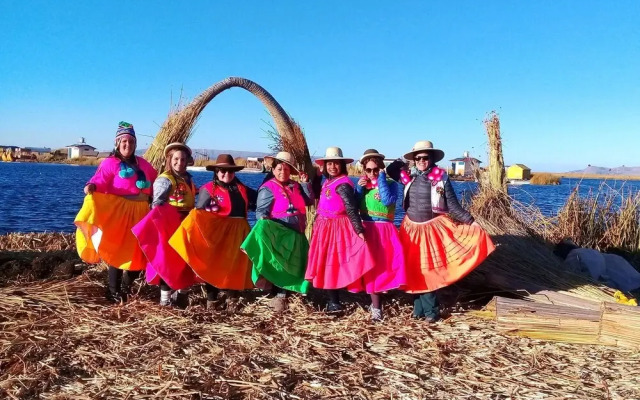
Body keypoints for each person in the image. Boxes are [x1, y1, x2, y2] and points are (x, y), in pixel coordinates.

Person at [386, 140, 495, 322]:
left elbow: (452, 205)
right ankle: (418, 309)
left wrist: (471, 222)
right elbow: (390, 169)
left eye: (425, 157)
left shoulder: (441, 178)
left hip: (431, 229)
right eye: (418, 157)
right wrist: (405, 160)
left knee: (428, 271)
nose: (421, 161)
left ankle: (431, 313)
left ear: (432, 159)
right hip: (410, 229)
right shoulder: (408, 176)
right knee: (414, 271)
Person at [75, 121, 158, 303]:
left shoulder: (144, 164)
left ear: (135, 144)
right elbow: (100, 180)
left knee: (140, 252)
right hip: (120, 212)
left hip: (142, 213)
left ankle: (127, 286)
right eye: (124, 141)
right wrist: (92, 186)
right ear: (117, 143)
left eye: (131, 141)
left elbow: (157, 181)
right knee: (118, 251)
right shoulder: (110, 163)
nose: (128, 145)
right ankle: (113, 291)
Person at [169, 154, 256, 311]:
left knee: (234, 266)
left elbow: (261, 197)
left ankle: (232, 300)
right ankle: (212, 300)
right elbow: (199, 214)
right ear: (216, 171)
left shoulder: (243, 189)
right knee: (212, 265)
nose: (226, 174)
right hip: (216, 235)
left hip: (238, 234)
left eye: (230, 171)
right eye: (222, 170)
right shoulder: (207, 189)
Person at [241, 151, 314, 313]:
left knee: (292, 265)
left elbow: (309, 201)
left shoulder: (295, 186)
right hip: (280, 233)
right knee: (280, 263)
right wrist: (268, 230)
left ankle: (288, 291)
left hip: (297, 234)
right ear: (273, 170)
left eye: (287, 169)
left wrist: (304, 184)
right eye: (279, 168)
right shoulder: (268, 188)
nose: (283, 172)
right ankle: (278, 294)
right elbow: (261, 213)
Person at [305, 147, 374, 312]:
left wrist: (359, 230)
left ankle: (334, 301)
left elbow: (351, 208)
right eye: (329, 163)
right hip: (324, 226)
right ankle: (332, 299)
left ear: (342, 165)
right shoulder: (327, 182)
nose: (332, 167)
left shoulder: (343, 184)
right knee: (327, 262)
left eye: (336, 163)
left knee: (332, 263)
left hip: (336, 228)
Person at [132, 142, 198, 308]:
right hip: (170, 226)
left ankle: (181, 295)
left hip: (186, 225)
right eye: (176, 159)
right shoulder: (165, 179)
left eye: (183, 159)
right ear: (170, 159)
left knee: (186, 262)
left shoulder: (188, 178)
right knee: (168, 262)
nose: (179, 162)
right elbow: (157, 205)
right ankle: (165, 301)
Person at [354, 149, 407, 321]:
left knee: (387, 266)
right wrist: (359, 190)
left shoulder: (391, 184)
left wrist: (381, 178)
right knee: (371, 269)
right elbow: (353, 207)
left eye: (375, 169)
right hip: (368, 230)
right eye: (368, 170)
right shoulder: (363, 186)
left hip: (385, 232)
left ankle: (381, 298)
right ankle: (376, 307)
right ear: (364, 170)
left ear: (381, 168)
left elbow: (387, 200)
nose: (372, 173)